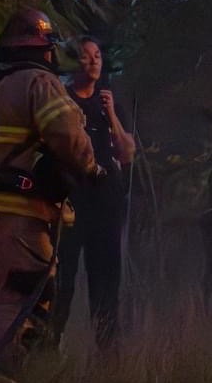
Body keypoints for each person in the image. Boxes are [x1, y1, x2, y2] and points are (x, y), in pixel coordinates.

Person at [0, 11, 100, 363]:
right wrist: (92, 169)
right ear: (44, 49)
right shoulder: (40, 83)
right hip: (21, 223)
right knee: (17, 306)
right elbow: (70, 140)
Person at [52, 36, 134, 347]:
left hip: (105, 204)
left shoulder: (109, 103)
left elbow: (126, 153)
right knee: (62, 279)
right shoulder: (62, 102)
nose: (94, 61)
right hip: (71, 204)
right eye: (87, 56)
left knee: (106, 282)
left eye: (98, 55)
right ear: (75, 62)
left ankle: (107, 354)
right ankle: (50, 345)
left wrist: (111, 115)